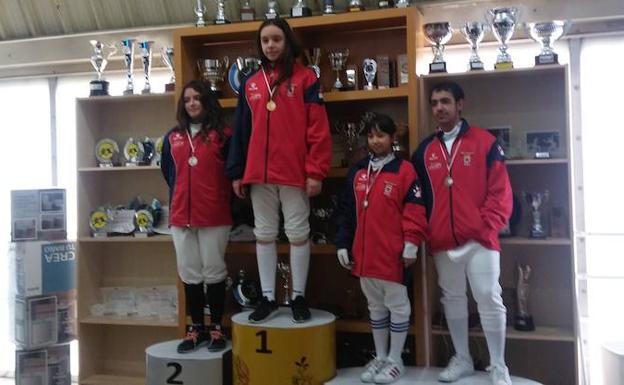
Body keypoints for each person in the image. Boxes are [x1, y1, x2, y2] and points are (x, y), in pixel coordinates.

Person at [226, 18, 332, 324]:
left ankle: (298, 296)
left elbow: (318, 128)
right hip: (258, 174)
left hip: (295, 172)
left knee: (298, 234)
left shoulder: (306, 79)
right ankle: (269, 298)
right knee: (264, 234)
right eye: (265, 41)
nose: (271, 45)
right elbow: (241, 131)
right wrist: (237, 172)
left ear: (288, 42)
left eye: (276, 39)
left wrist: (316, 171)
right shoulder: (250, 83)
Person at [411, 81, 513, 385]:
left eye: (445, 101)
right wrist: (426, 232)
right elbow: (418, 199)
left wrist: (483, 229)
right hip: (443, 241)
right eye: (434, 103)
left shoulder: (486, 143)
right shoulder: (424, 151)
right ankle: (463, 357)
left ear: (460, 104)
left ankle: (498, 364)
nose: (439, 108)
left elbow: (500, 193)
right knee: (452, 297)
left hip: (481, 240)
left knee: (488, 296)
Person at [335, 113, 428, 384]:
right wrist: (342, 242)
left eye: (381, 135)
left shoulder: (405, 170)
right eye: (371, 136)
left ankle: (396, 358)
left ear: (392, 138)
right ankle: (381, 355)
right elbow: (345, 211)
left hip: (392, 254)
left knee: (398, 307)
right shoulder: (357, 170)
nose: (376, 141)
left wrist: (411, 243)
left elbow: (415, 210)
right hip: (364, 257)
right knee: (375, 307)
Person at [161, 80, 232, 353]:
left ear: (206, 102)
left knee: (213, 272)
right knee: (189, 274)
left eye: (197, 98)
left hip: (214, 215)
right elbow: (168, 173)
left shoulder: (223, 134)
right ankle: (195, 329)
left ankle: (216, 328)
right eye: (187, 99)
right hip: (181, 216)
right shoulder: (172, 137)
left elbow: (232, 170)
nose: (192, 103)